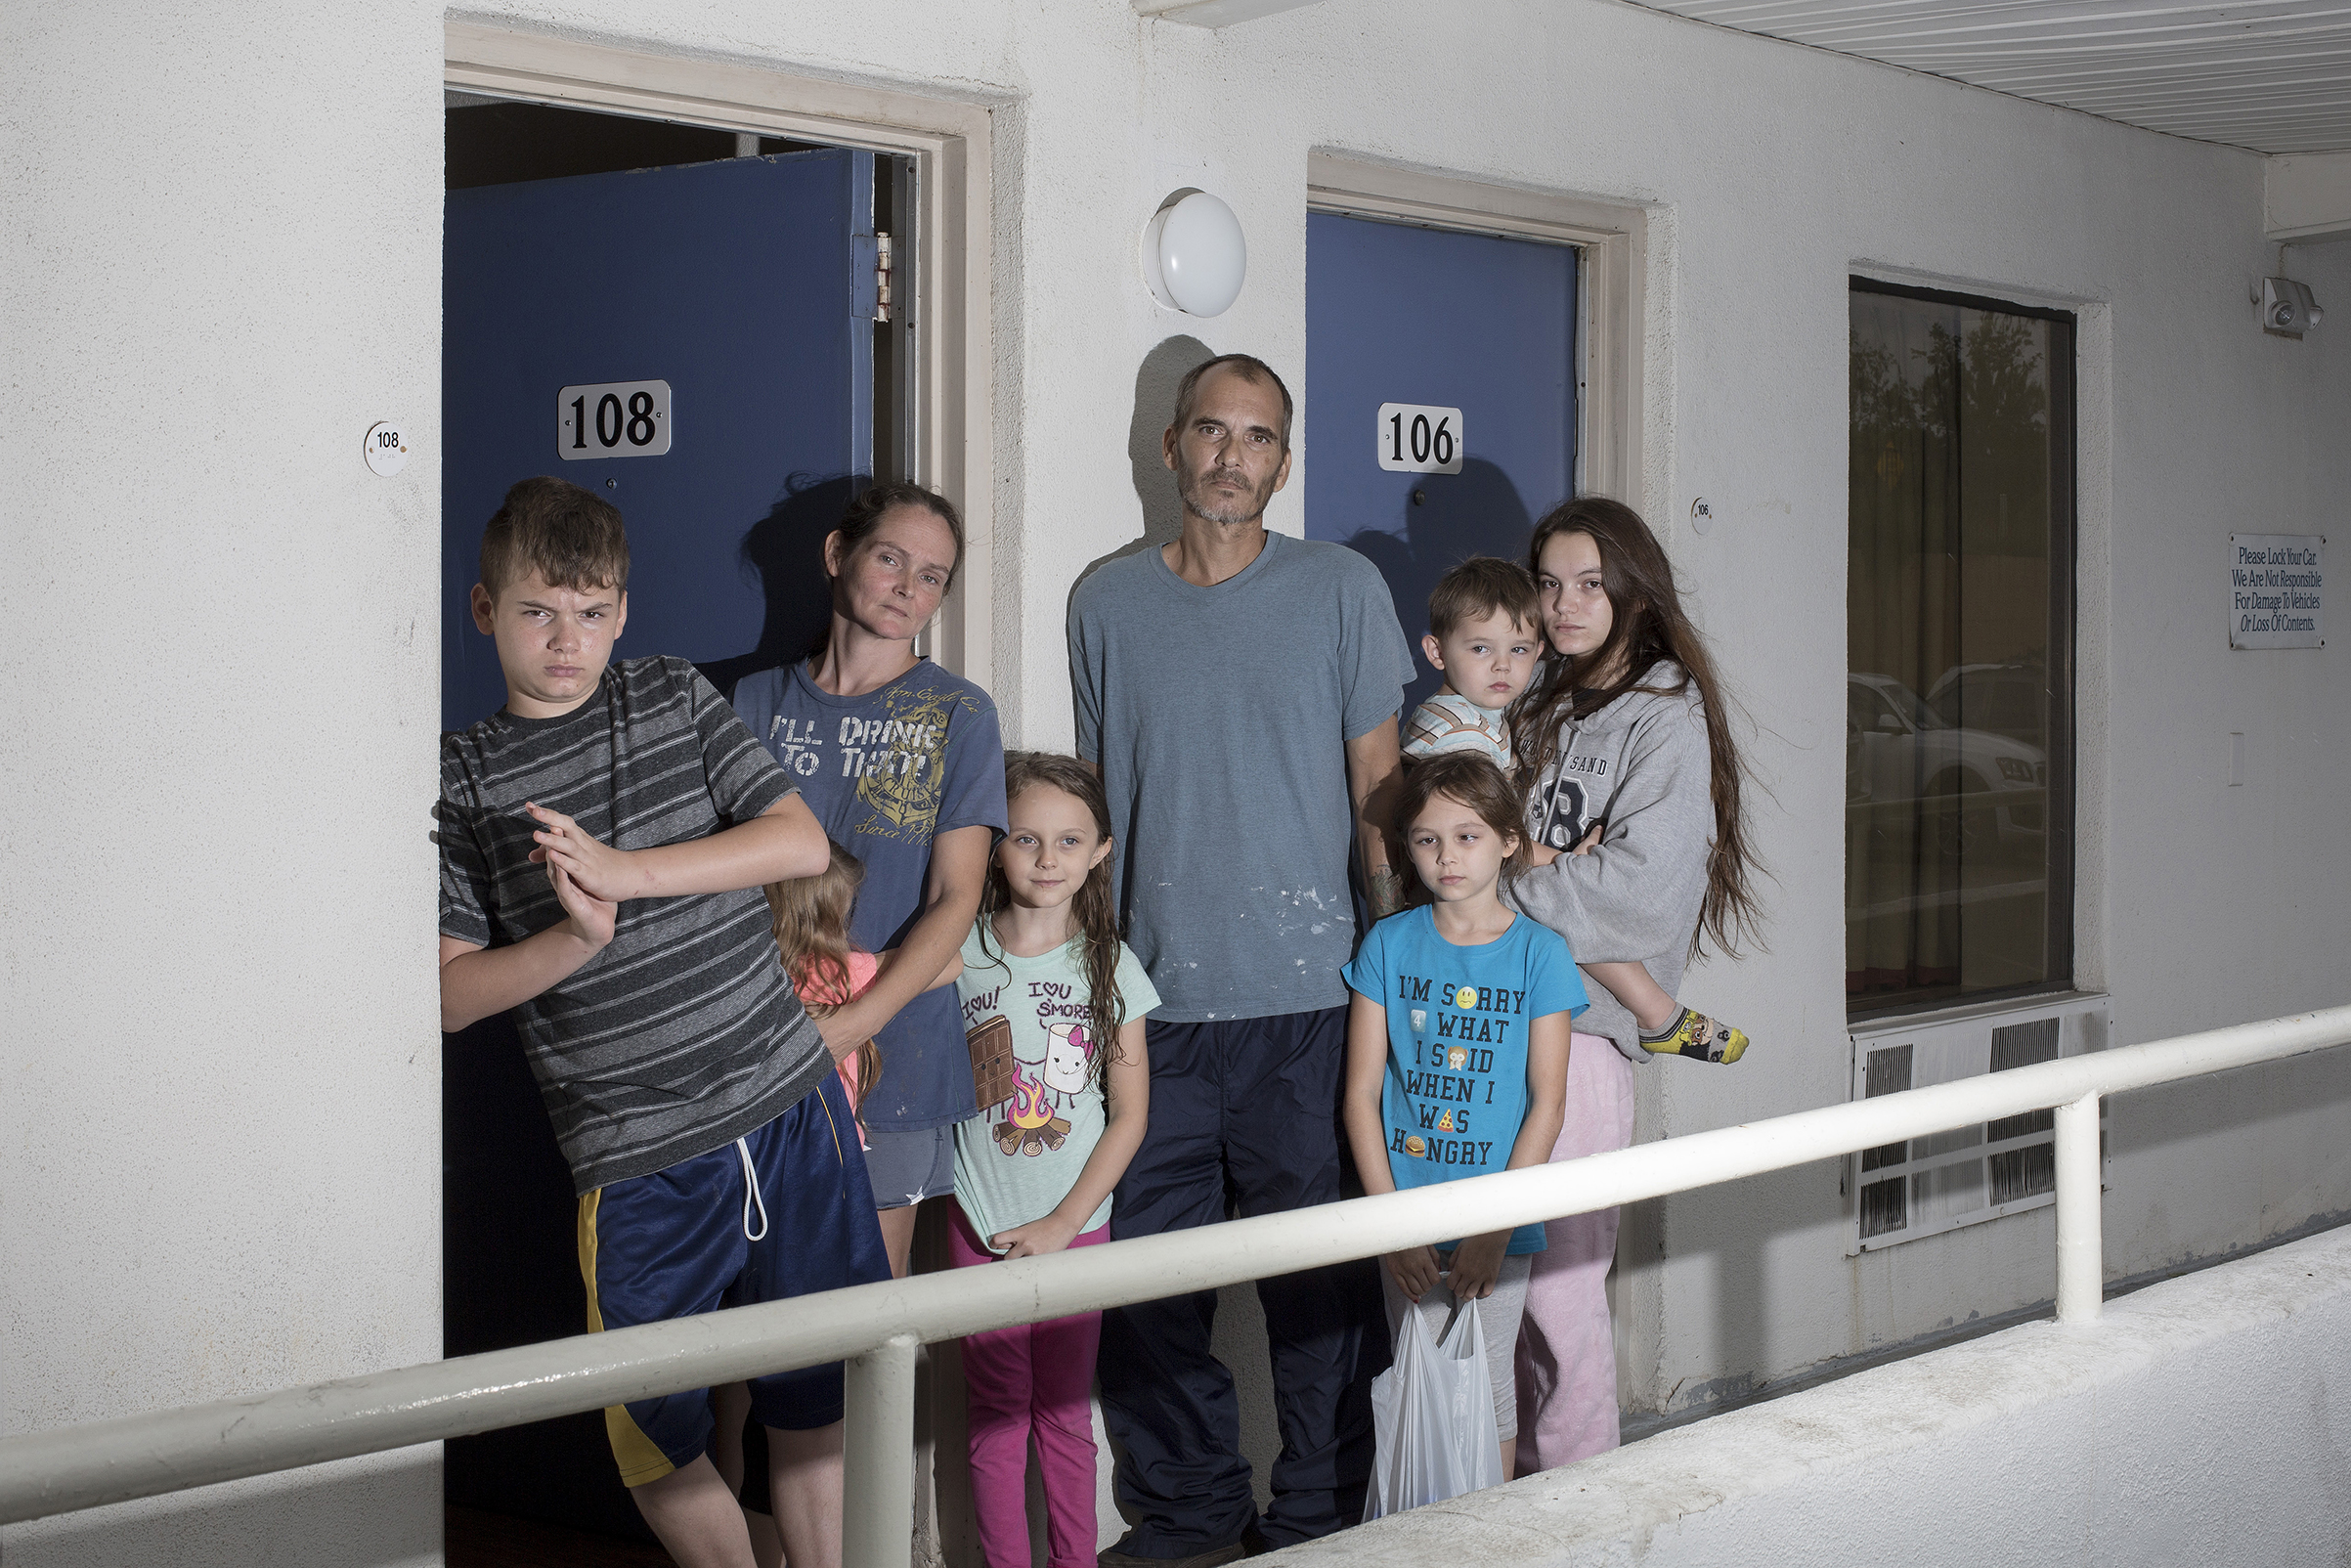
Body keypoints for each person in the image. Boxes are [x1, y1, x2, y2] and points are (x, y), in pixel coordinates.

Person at [437, 476, 889, 1568]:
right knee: (651, 1438)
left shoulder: (669, 695)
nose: (566, 639)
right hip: (635, 1157)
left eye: (592, 612)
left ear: (624, 614)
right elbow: (448, 997)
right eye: (539, 610)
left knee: (814, 1392)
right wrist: (574, 938)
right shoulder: (460, 779)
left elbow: (794, 844)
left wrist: (625, 872)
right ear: (486, 609)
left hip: (786, 1105)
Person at [1067, 352, 1416, 1562]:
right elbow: (1101, 805)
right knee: (1145, 1295)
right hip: (1150, 1011)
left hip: (1312, 1000)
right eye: (1211, 431)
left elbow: (1381, 789)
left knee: (1316, 1292)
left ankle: (1319, 1521)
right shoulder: (1102, 602)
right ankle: (1193, 1515)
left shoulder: (1339, 588)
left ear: (1283, 458)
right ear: (1170, 446)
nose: (1231, 455)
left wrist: (1396, 969)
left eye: (1257, 437)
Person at [1503, 496, 1764, 1474]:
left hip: (1581, 1034)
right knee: (1490, 1294)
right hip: (1493, 1016)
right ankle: (1506, 1507)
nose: (1565, 604)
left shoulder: (1663, 714)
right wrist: (1544, 869)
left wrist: (1518, 875)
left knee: (1557, 1298)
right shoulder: (1538, 700)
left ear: (1630, 588)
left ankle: (1576, 1510)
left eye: (1589, 582)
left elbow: (1640, 893)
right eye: (1548, 581)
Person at [731, 483, 1008, 1280]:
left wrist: (852, 1026)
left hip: (894, 1053)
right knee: (748, 1313)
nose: (907, 588)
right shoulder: (755, 702)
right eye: (890, 558)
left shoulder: (959, 714)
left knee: (864, 1322)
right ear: (836, 555)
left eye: (931, 576)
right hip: (761, 1041)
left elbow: (957, 899)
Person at [1341, 753, 1585, 1482]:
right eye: (1426, 839)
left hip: (1497, 1223)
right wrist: (1392, 1228)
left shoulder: (1541, 953)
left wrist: (1494, 1228)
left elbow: (1548, 1102)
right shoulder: (1387, 943)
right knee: (1419, 1385)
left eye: (1468, 835)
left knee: (1486, 1397)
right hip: (1404, 1218)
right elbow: (1359, 1095)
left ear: (1510, 840)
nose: (1446, 856)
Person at [1407, 556, 1750, 1064]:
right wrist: (1558, 860)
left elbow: (1623, 895)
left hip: (1569, 1025)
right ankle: (1658, 1015)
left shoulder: (1495, 710)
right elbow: (1477, 833)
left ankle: (1658, 1016)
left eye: (1518, 650)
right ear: (1437, 651)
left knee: (1581, 910)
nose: (1502, 666)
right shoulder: (1460, 733)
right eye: (1480, 649)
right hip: (1488, 968)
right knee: (1574, 903)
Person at [948, 753, 1157, 1568]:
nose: (1046, 859)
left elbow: (1130, 1117)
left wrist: (1065, 1222)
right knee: (996, 1416)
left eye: (1068, 841)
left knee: (1066, 1418)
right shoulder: (956, 955)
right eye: (1027, 838)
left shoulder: (1113, 969)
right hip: (979, 1225)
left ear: (1100, 851)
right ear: (996, 845)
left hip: (1079, 1227)